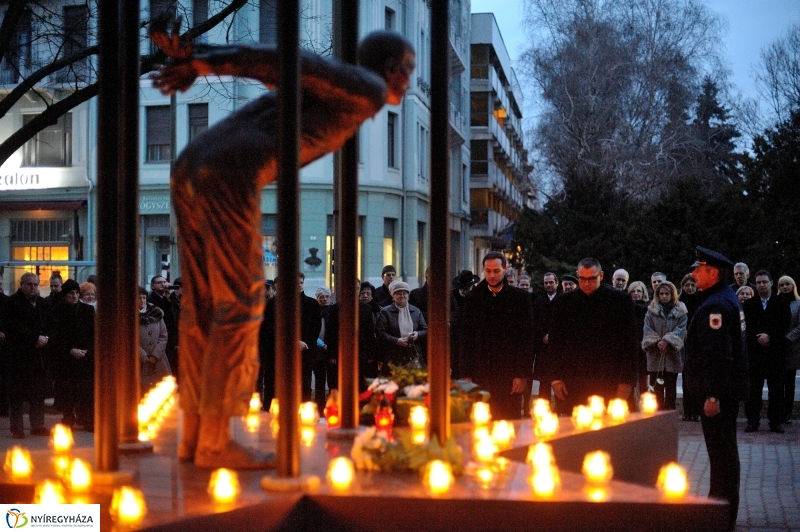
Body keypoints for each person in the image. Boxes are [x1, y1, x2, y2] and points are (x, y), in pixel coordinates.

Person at [149, 22, 415, 467]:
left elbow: (287, 69)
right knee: (241, 303)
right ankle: (215, 441)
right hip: (230, 171)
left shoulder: (333, 93)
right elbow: (292, 61)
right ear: (392, 69)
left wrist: (202, 56)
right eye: (408, 68)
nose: (410, 79)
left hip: (190, 165)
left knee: (203, 305)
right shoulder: (367, 86)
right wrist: (203, 60)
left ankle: (195, 435)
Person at [683, 246, 748, 532]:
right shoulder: (723, 298)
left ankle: (721, 515)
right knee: (723, 454)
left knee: (722, 456)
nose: (693, 273)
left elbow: (718, 356)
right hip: (726, 392)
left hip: (719, 395)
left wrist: (712, 395)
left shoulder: (715, 306)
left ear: (713, 272)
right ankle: (720, 509)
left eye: (699, 268)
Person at [539, 258, 637, 413]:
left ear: (601, 275)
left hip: (610, 379)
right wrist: (556, 378)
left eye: (592, 278)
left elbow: (630, 344)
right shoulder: (564, 303)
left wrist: (626, 381)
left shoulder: (620, 301)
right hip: (574, 381)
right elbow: (556, 343)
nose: (586, 283)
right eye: (582, 279)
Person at [458, 252, 535, 420]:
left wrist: (522, 374)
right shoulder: (473, 298)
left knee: (509, 423)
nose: (492, 275)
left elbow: (527, 339)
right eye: (488, 271)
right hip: (481, 373)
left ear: (505, 269)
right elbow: (466, 338)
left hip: (510, 373)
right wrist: (466, 374)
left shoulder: (520, 298)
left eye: (496, 271)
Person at [743, 270, 791, 434]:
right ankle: (752, 422)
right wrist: (758, 338)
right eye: (758, 283)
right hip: (755, 353)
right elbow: (746, 328)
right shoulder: (749, 304)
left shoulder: (782, 302)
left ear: (771, 283)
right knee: (753, 391)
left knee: (776, 390)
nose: (762, 285)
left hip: (775, 352)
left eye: (764, 282)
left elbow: (785, 324)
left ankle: (775, 422)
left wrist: (770, 336)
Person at [5, 273, 50, 438]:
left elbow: (49, 323)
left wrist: (45, 338)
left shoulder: (42, 303)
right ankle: (16, 427)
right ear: (22, 284)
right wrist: (34, 338)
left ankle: (37, 425)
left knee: (37, 393)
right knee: (16, 394)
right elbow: (13, 327)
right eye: (30, 284)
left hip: (38, 356)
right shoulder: (12, 303)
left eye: (36, 284)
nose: (33, 288)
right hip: (19, 356)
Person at [49, 279, 95, 431]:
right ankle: (68, 416)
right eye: (71, 293)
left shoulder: (87, 310)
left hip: (85, 357)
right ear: (65, 294)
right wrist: (70, 349)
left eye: (76, 293)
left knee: (86, 390)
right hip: (66, 359)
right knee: (67, 390)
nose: (74, 296)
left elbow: (94, 333)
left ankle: (87, 418)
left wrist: (87, 350)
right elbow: (55, 337)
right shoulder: (57, 311)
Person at [642, 281, 687, 411]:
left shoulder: (681, 311)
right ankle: (659, 413)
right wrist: (657, 341)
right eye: (661, 293)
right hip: (656, 354)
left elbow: (681, 329)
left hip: (672, 354)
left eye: (667, 294)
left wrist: (668, 340)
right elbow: (647, 328)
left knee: (671, 386)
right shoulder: (651, 310)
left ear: (672, 294)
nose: (664, 296)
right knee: (656, 386)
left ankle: (670, 412)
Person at [376, 281, 427, 369]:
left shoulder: (416, 311)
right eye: (398, 294)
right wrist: (396, 340)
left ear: (408, 295)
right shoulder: (385, 312)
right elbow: (380, 332)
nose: (402, 296)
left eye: (405, 293)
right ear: (393, 296)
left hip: (413, 354)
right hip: (392, 355)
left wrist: (417, 334)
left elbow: (425, 329)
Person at [532, 272, 560, 406]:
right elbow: (534, 322)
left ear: (557, 283)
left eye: (551, 282)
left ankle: (561, 409)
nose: (548, 285)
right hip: (543, 347)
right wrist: (543, 335)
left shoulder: (563, 300)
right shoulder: (538, 301)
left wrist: (554, 336)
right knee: (544, 381)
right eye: (546, 283)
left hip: (558, 348)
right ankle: (544, 409)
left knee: (559, 379)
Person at [138, 287, 171, 395]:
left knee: (160, 391)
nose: (142, 301)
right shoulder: (127, 316)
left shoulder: (156, 314)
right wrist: (143, 355)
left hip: (158, 359)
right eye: (139, 298)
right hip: (138, 360)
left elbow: (163, 335)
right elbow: (127, 338)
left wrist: (155, 354)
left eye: (143, 298)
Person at [679, 274, 702, 421]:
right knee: (686, 378)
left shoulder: (702, 300)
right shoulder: (679, 302)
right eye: (687, 285)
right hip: (684, 341)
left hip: (698, 341)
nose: (690, 288)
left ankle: (697, 411)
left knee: (698, 377)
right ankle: (688, 411)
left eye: (692, 285)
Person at [450, 270, 479, 379]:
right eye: (462, 288)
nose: (464, 291)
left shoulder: (478, 295)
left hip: (472, 336)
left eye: (467, 288)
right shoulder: (452, 295)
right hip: (455, 336)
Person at [628, 280, 650, 412]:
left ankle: (644, 406)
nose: (636, 294)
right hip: (630, 346)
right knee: (630, 378)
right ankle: (631, 406)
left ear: (644, 293)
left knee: (643, 378)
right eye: (633, 291)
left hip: (644, 347)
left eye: (639, 291)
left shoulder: (649, 308)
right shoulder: (626, 307)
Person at [313, 286, 334, 415]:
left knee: (332, 381)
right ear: (317, 298)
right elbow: (312, 331)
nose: (325, 299)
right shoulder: (315, 311)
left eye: (327, 297)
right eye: (322, 297)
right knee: (319, 382)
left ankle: (332, 406)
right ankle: (319, 408)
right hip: (318, 352)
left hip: (331, 351)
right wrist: (322, 344)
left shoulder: (333, 311)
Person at [783, 275, 800, 423]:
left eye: (787, 284)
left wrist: (787, 338)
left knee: (789, 383)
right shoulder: (776, 302)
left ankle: (786, 413)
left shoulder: (798, 304)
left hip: (791, 348)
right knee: (777, 382)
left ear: (793, 285)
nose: (785, 287)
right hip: (777, 349)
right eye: (782, 285)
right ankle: (777, 411)